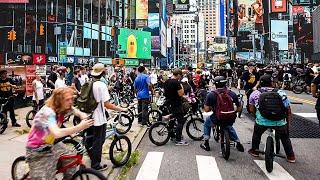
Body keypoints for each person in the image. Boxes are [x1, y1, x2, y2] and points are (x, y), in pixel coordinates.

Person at [26, 87, 94, 179]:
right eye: (67, 100)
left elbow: (74, 110)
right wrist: (79, 127)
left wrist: (82, 115)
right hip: (38, 150)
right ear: (58, 101)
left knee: (72, 160)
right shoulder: (48, 113)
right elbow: (57, 133)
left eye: (71, 99)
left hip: (52, 143)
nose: (70, 102)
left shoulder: (63, 107)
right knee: (47, 177)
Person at [86, 63, 127, 170]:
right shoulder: (101, 85)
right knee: (98, 141)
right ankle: (96, 165)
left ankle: (91, 156)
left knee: (91, 139)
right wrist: (121, 109)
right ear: (103, 72)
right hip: (98, 119)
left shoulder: (89, 83)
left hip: (88, 116)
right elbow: (107, 104)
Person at [248, 75, 295, 163]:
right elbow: (288, 110)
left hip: (262, 121)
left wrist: (257, 116)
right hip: (279, 122)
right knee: (285, 138)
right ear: (272, 83)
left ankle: (254, 151)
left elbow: (251, 109)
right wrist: (288, 125)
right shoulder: (281, 93)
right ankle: (291, 156)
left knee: (257, 134)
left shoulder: (255, 93)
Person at [200, 76, 244, 152]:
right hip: (230, 117)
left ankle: (206, 143)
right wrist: (233, 112)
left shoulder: (211, 94)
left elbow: (206, 109)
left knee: (207, 124)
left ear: (215, 84)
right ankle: (238, 142)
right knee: (229, 126)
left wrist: (212, 108)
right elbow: (239, 108)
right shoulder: (232, 93)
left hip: (217, 118)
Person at [164, 69, 189, 145]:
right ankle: (178, 139)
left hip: (168, 103)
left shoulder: (167, 81)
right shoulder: (176, 83)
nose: (180, 77)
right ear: (178, 75)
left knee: (172, 119)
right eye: (180, 75)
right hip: (176, 103)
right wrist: (181, 86)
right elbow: (181, 94)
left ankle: (172, 136)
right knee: (181, 121)